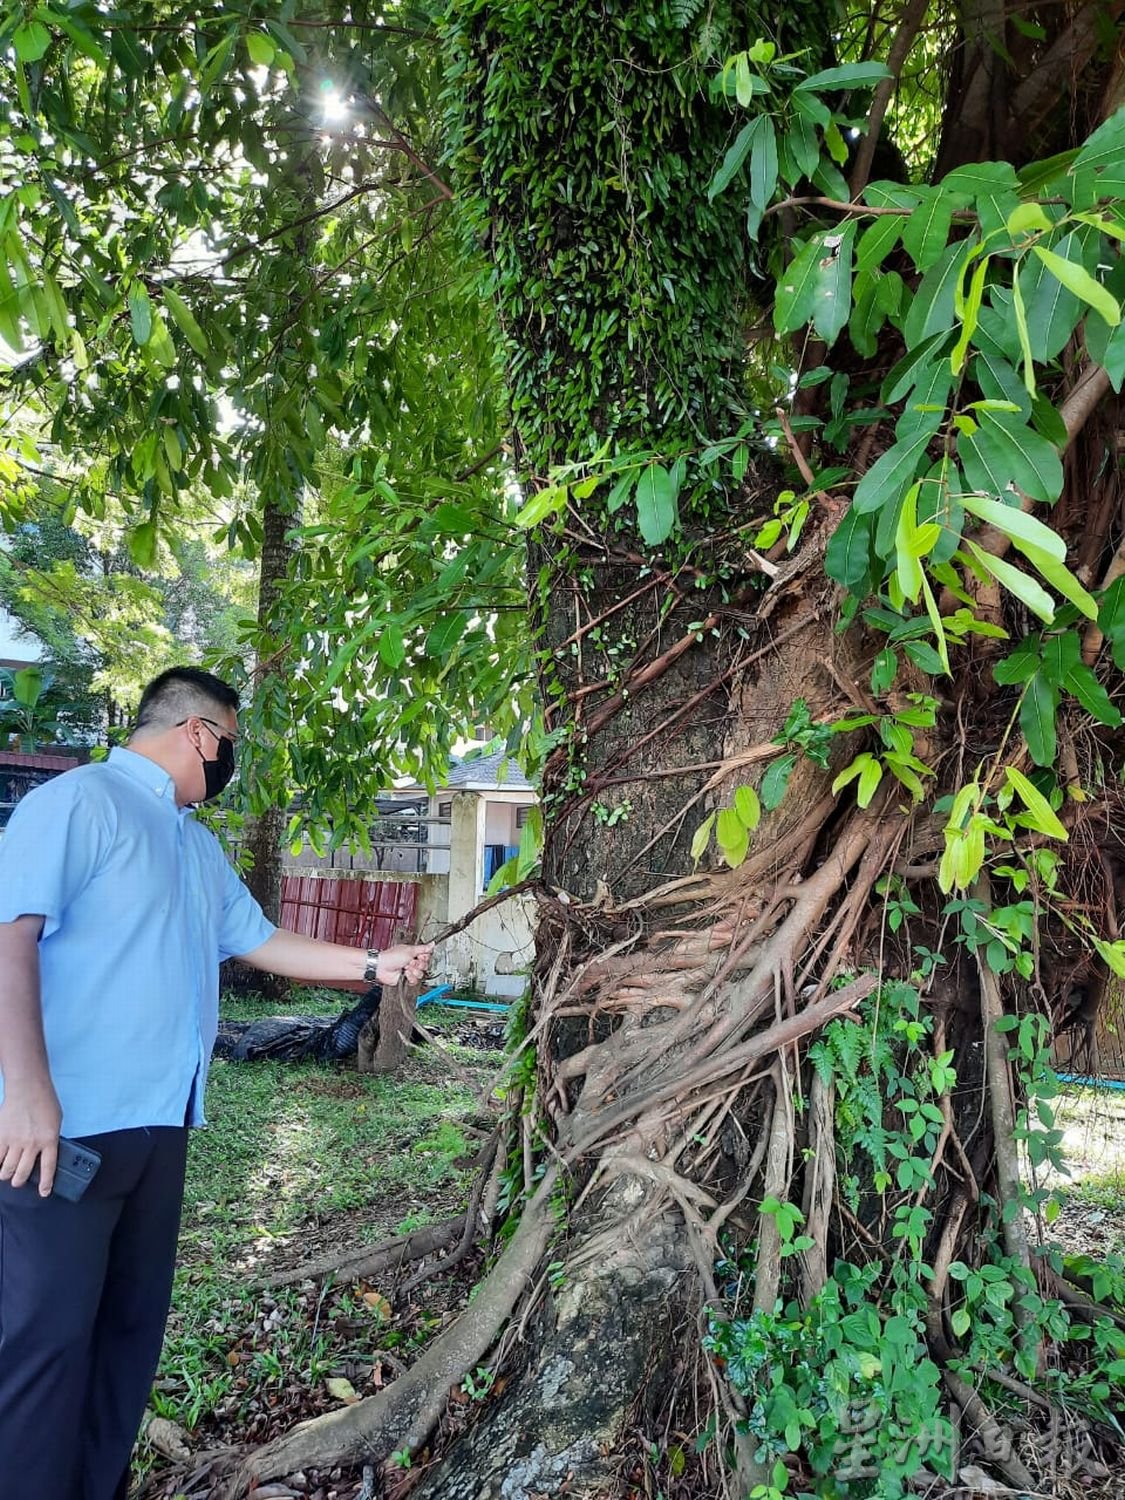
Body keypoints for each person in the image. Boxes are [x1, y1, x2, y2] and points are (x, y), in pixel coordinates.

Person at [0, 666, 433, 1500]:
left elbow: (262, 940)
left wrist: (375, 965)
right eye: (230, 744)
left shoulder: (192, 844)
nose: (230, 763)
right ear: (199, 732)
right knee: (42, 1344)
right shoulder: (81, 803)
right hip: (61, 1131)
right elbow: (9, 938)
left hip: (161, 1129)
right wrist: (25, 1091)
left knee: (126, 1339)